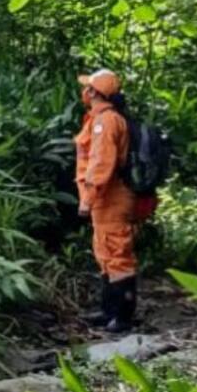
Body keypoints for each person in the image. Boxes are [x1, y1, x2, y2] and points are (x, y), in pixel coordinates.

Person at [75, 69, 138, 333]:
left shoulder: (106, 122)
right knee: (105, 253)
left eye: (87, 87)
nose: (84, 91)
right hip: (106, 199)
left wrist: (87, 199)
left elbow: (101, 164)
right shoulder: (98, 119)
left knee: (117, 254)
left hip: (111, 198)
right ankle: (108, 311)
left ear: (94, 93)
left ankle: (122, 317)